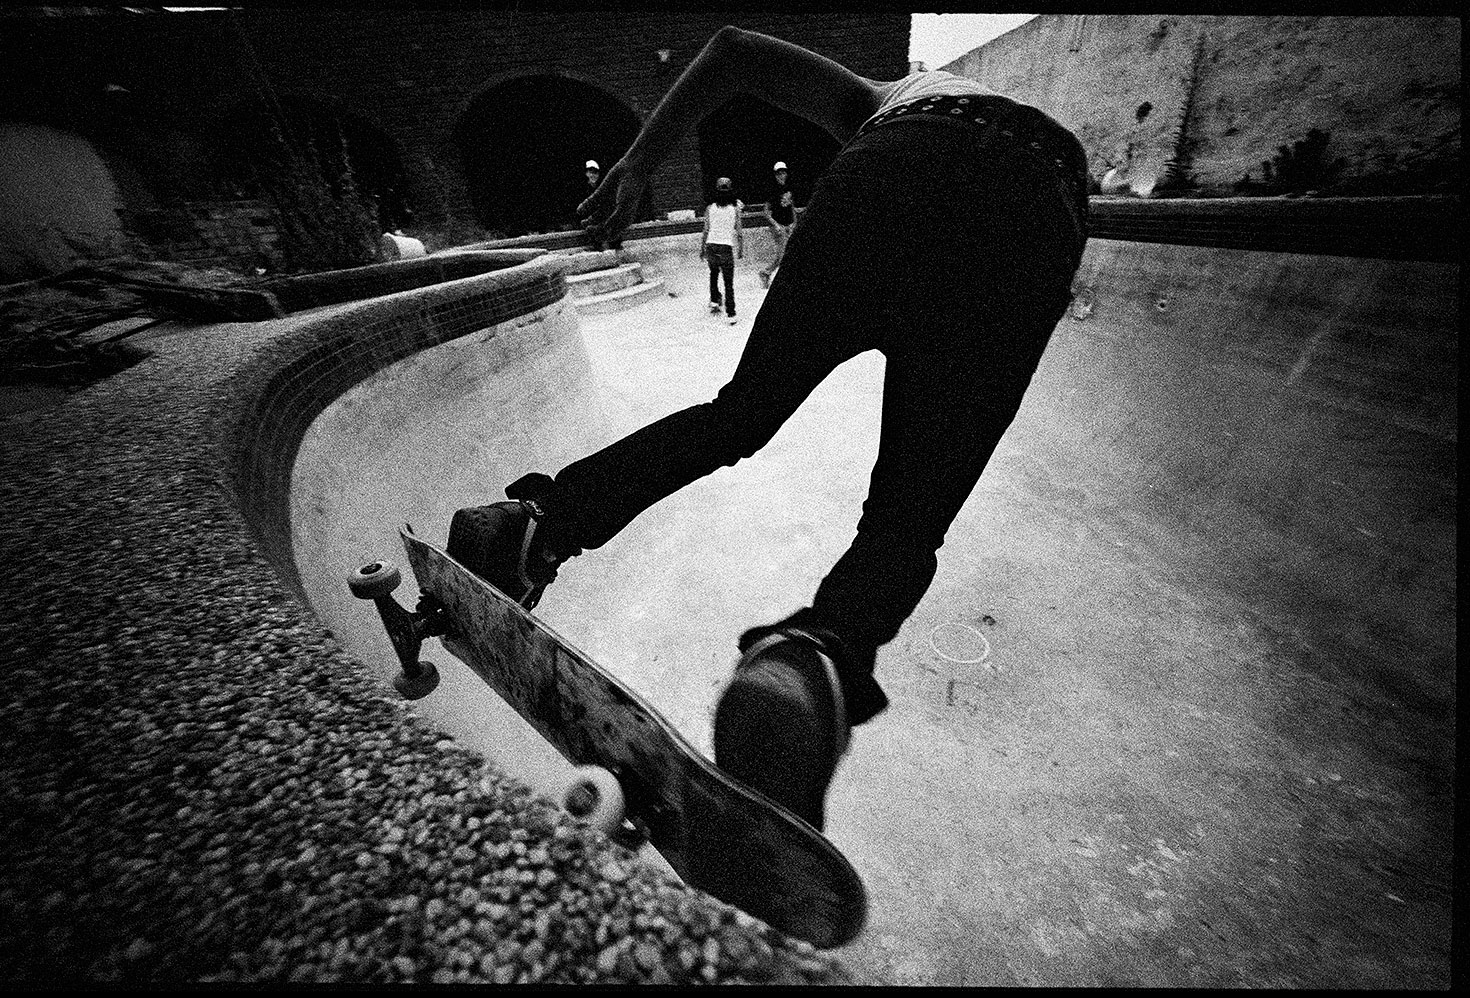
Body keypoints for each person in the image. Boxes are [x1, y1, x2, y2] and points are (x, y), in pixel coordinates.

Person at [446, 26, 1088, 832]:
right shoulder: (1008, 129)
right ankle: (811, 665)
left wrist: (639, 163)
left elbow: (732, 50)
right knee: (908, 515)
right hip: (1040, 202)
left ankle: (532, 528)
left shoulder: (895, 96)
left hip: (898, 160)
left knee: (737, 416)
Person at [700, 176, 745, 323]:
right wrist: (740, 249)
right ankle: (731, 313)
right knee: (728, 282)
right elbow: (739, 232)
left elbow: (706, 230)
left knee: (713, 273)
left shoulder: (710, 208)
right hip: (726, 246)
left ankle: (714, 299)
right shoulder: (735, 210)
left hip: (711, 245)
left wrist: (702, 249)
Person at [758, 161, 795, 289]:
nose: (782, 175)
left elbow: (791, 207)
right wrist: (776, 225)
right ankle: (766, 272)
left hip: (789, 224)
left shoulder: (788, 188)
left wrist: (794, 222)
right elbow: (766, 211)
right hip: (778, 225)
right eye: (779, 173)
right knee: (782, 254)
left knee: (790, 253)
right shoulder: (772, 190)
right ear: (775, 175)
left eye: (783, 172)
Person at [578, 159, 621, 250]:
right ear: (586, 173)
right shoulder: (582, 190)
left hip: (600, 217)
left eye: (596, 173)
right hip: (589, 219)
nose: (593, 175)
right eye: (591, 172)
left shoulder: (601, 189)